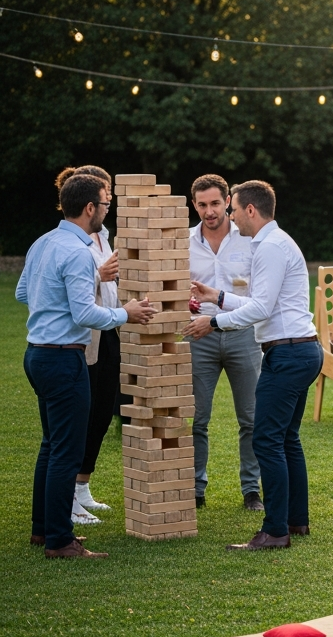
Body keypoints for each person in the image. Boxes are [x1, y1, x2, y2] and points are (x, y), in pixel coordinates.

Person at [17, 173, 155, 558]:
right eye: (105, 204)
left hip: (37, 353)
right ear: (90, 207)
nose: (106, 211)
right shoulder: (78, 250)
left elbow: (23, 291)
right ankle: (61, 540)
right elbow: (85, 314)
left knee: (51, 446)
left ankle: (43, 530)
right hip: (64, 358)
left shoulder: (43, 242)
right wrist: (124, 312)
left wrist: (53, 306)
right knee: (66, 451)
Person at [184, 180, 322, 551]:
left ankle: (275, 530)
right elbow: (260, 301)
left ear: (249, 210)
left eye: (231, 209)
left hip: (289, 353)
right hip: (299, 349)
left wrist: (212, 321)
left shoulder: (270, 248)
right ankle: (297, 521)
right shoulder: (273, 243)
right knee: (287, 439)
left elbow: (260, 309)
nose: (228, 216)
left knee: (265, 439)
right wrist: (218, 297)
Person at [188, 173, 264, 511]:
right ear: (194, 205)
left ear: (227, 202)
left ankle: (252, 490)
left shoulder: (249, 238)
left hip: (243, 336)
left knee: (250, 418)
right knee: (196, 418)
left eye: (215, 203)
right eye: (202, 204)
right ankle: (194, 489)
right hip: (198, 337)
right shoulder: (182, 241)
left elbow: (261, 294)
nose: (209, 211)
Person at [52, 166, 121, 523]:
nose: (108, 202)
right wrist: (99, 274)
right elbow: (73, 289)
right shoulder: (69, 241)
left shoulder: (101, 234)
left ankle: (82, 486)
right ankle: (70, 500)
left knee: (102, 413)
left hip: (109, 330)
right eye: (105, 196)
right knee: (82, 414)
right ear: (90, 201)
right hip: (85, 337)